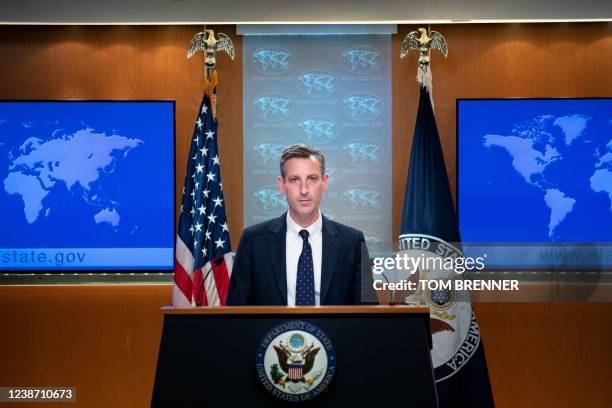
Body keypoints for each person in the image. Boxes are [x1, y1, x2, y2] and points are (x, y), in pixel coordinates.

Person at [227, 144, 372, 306]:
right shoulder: (253, 240)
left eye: (312, 179)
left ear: (324, 182)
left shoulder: (352, 242)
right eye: (294, 180)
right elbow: (236, 312)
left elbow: (368, 312)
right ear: (281, 185)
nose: (304, 190)